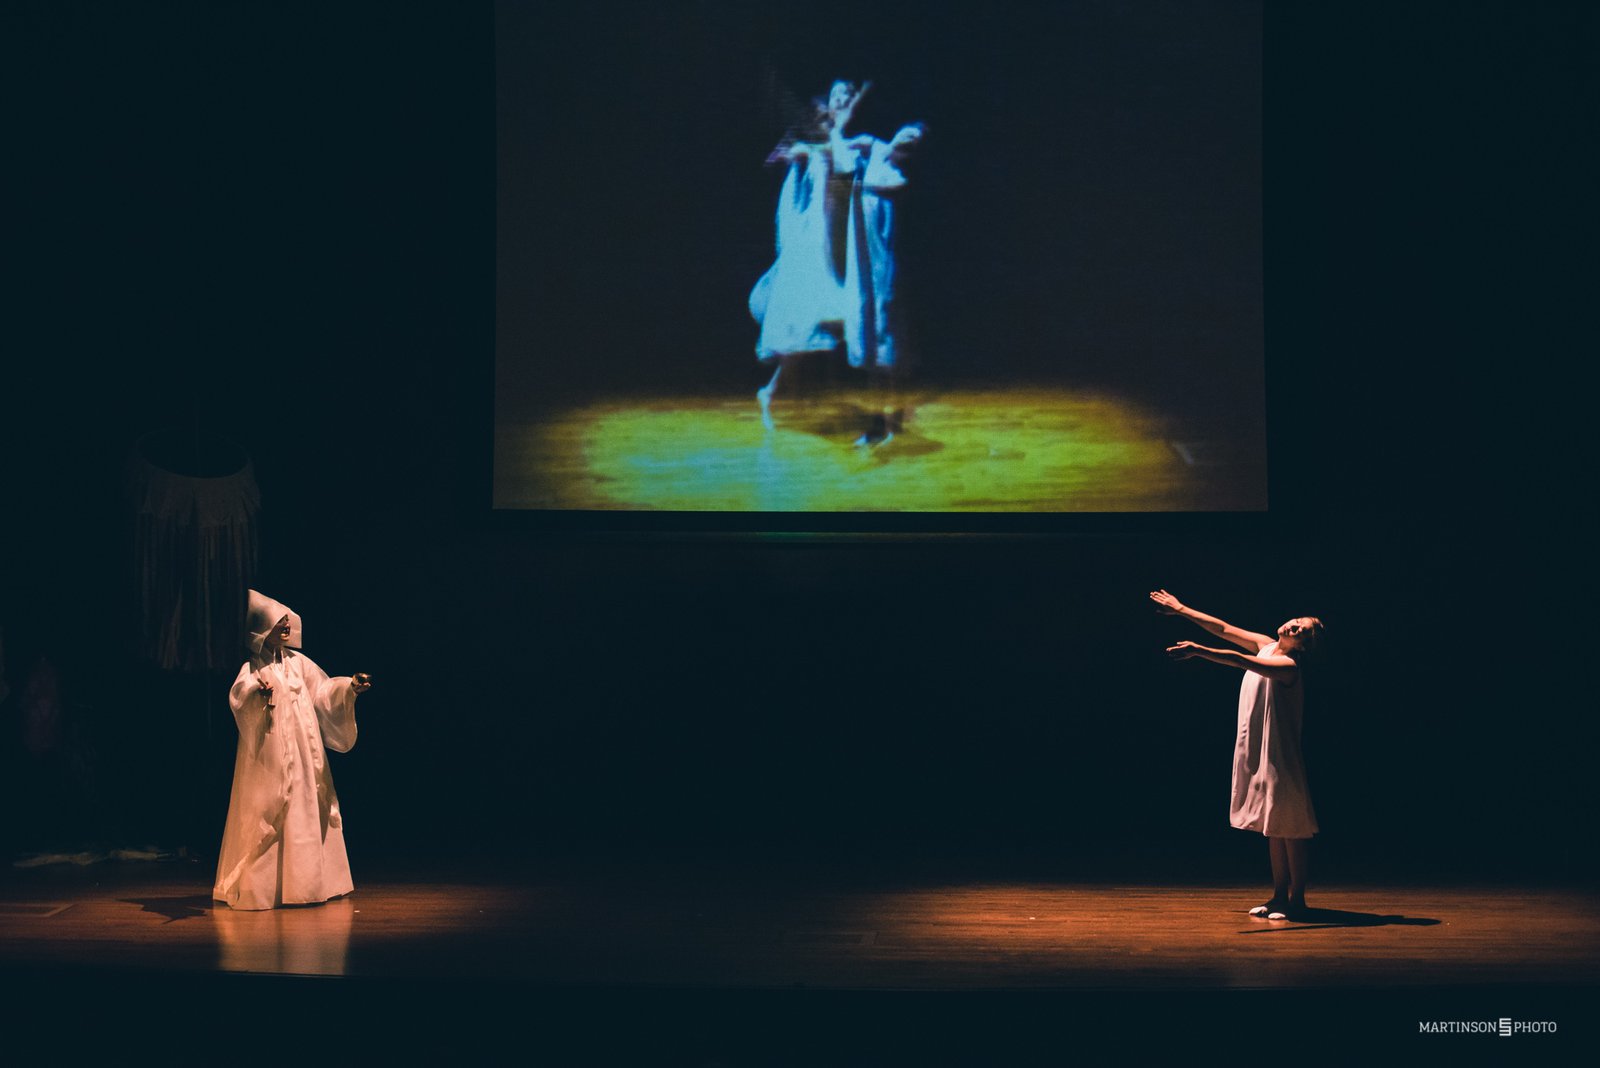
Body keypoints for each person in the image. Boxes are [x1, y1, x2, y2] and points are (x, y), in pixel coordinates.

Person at [750, 81, 923, 443]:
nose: (842, 100)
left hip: (852, 250)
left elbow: (873, 153)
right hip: (824, 246)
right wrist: (795, 151)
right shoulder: (823, 147)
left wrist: (851, 132)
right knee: (809, 332)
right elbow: (808, 154)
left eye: (847, 94)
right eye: (836, 95)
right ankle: (777, 392)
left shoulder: (863, 147)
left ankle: (885, 414)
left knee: (868, 332)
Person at [1151, 588, 1324, 920]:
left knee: (1291, 828)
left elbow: (1240, 660)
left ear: (1303, 645)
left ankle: (1297, 900)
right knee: (1274, 827)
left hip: (1280, 755)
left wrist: (1199, 651)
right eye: (1296, 621)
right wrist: (1181, 608)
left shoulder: (1287, 665)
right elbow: (1224, 629)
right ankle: (1279, 896)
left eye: (1301, 631)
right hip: (1263, 750)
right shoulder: (1267, 645)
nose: (1293, 626)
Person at [213, 590, 371, 910]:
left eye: (287, 621)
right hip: (271, 751)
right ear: (262, 629)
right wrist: (257, 690)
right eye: (278, 622)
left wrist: (348, 687)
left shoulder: (298, 663)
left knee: (306, 803)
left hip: (303, 750)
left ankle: (306, 883)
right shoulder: (254, 666)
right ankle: (265, 887)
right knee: (270, 805)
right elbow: (239, 695)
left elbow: (323, 691)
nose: (286, 626)